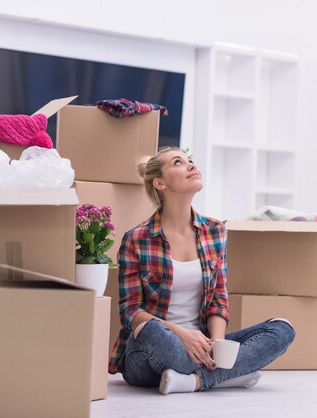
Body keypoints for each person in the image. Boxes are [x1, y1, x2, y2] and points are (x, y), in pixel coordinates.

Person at [108, 146, 295, 394]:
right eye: (178, 162)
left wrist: (217, 344)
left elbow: (219, 297)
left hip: (203, 347)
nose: (191, 165)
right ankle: (228, 377)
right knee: (150, 331)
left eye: (190, 160)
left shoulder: (215, 231)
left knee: (281, 330)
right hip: (151, 353)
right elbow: (130, 312)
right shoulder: (136, 238)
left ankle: (194, 381)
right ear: (160, 183)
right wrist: (182, 334)